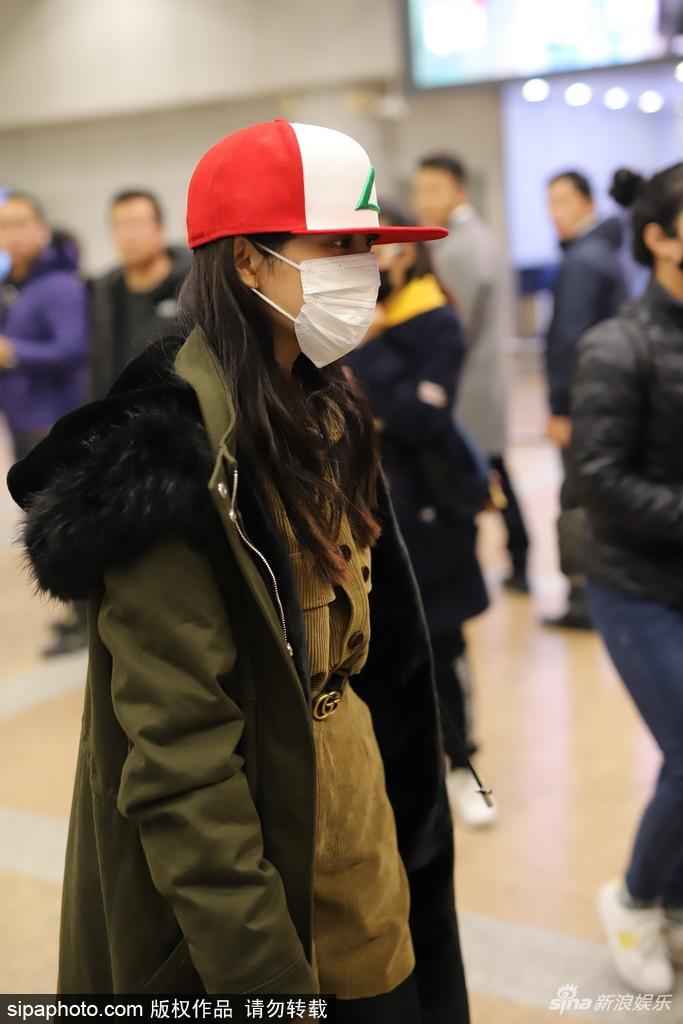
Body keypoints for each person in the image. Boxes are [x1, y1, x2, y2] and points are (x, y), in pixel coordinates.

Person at [8, 120, 483, 1021]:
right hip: (265, 886)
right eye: (334, 247)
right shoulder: (171, 472)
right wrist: (266, 985)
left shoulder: (326, 412)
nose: (364, 271)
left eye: (368, 248)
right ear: (248, 263)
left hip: (360, 846)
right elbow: (183, 768)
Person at [572, 163, 683, 994]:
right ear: (658, 238)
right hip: (634, 583)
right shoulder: (616, 346)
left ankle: (671, 898)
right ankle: (634, 898)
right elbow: (597, 479)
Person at [347, 203, 495, 829]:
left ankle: (464, 766)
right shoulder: (346, 318)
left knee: (441, 642)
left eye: (379, 246)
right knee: (373, 647)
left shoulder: (434, 317)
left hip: (431, 510)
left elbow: (422, 416)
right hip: (363, 508)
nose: (370, 259)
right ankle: (394, 770)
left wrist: (369, 353)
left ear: (407, 252)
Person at [413, 153, 530, 594]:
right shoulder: (474, 237)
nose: (424, 201)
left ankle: (516, 561)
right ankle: (518, 558)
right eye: (420, 190)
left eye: (434, 190)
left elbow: (450, 327)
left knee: (483, 475)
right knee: (492, 471)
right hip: (481, 379)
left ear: (458, 190)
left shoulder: (460, 247)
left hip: (470, 384)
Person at [544, 170, 627, 629]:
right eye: (549, 202)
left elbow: (569, 340)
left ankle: (582, 600)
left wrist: (560, 407)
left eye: (563, 200)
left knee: (577, 495)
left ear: (588, 203)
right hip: (608, 397)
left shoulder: (583, 260)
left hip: (584, 402)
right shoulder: (609, 251)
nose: (553, 212)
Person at [0, 190, 87, 461]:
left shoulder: (61, 285)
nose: (12, 234)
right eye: (4, 226)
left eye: (21, 223)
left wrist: (12, 352)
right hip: (17, 421)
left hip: (53, 422)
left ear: (42, 229)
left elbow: (73, 349)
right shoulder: (11, 286)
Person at [89, 188, 190, 399]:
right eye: (120, 225)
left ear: (160, 228)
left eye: (137, 224)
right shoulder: (104, 291)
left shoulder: (192, 284)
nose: (129, 235)